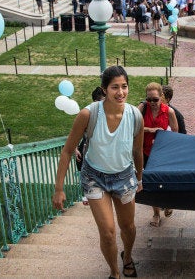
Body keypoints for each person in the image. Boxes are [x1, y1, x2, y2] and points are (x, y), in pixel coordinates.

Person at [52, 65, 143, 279]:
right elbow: (66, 152)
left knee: (128, 227)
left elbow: (137, 150)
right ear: (104, 90)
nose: (120, 92)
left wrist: (139, 177)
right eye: (114, 87)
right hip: (95, 178)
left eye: (124, 86)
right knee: (108, 233)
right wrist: (59, 188)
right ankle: (114, 273)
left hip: (124, 176)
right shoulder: (88, 114)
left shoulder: (135, 116)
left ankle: (127, 257)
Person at [138, 82, 179, 228]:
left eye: (155, 99)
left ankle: (168, 203)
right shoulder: (142, 108)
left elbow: (175, 134)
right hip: (145, 152)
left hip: (163, 154)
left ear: (161, 97)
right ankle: (156, 213)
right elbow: (134, 127)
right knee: (150, 183)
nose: (152, 103)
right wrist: (150, 130)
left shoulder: (169, 112)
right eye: (149, 99)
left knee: (165, 181)